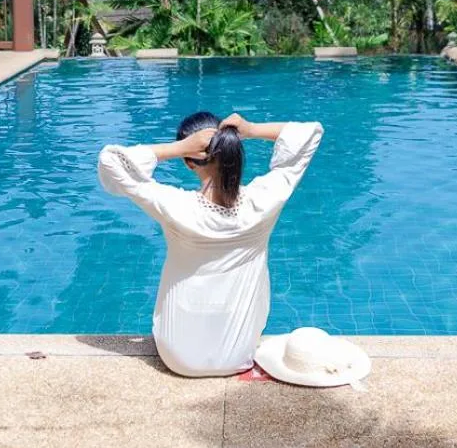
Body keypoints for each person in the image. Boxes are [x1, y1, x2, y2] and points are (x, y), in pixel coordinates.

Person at [96, 112, 324, 377]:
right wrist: (250, 129)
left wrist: (178, 148)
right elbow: (310, 133)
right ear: (230, 149)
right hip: (240, 355)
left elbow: (110, 160)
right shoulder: (263, 202)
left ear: (189, 163)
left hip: (178, 356)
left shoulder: (176, 207)